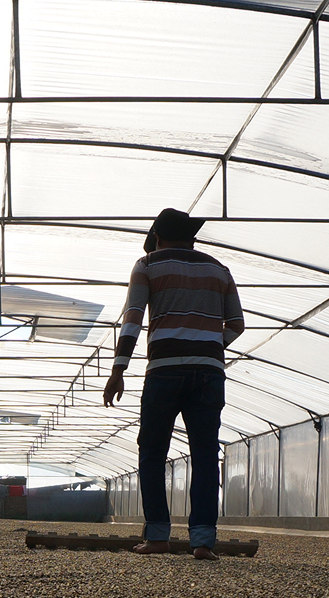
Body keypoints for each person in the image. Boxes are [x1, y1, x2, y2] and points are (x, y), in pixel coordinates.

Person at [103, 208, 244, 559]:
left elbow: (133, 320)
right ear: (192, 238)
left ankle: (157, 537)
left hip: (164, 371)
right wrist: (208, 345)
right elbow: (237, 324)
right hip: (209, 373)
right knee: (206, 456)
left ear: (158, 237)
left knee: (152, 452)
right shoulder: (219, 270)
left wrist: (118, 369)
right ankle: (202, 542)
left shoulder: (148, 265)